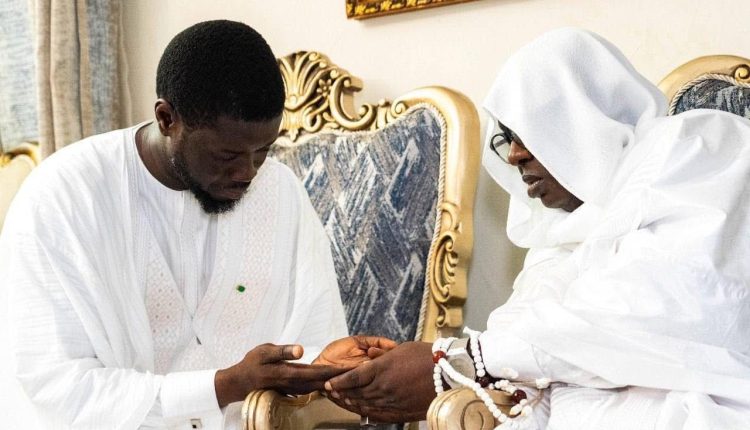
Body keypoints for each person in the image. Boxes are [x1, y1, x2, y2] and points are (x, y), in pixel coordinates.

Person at [318, 28, 750, 429]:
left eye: (530, 132)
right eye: (507, 138)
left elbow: (653, 306)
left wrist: (461, 362)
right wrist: (431, 364)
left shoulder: (698, 145)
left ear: (586, 114)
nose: (514, 156)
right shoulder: (559, 230)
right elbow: (523, 337)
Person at [0, 20, 351, 429]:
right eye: (227, 156)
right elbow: (53, 385)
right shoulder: (63, 197)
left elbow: (314, 336)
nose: (248, 173)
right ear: (167, 119)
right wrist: (223, 386)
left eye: (263, 150)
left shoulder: (281, 190)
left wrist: (331, 364)